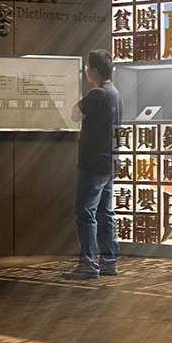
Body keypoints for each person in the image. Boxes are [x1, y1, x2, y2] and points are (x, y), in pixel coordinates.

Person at [65, 49, 122, 279]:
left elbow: (74, 114)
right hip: (109, 162)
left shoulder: (97, 93)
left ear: (95, 71)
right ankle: (109, 261)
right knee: (105, 212)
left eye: (88, 67)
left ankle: (87, 263)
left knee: (85, 212)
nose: (86, 71)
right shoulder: (115, 93)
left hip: (92, 163)